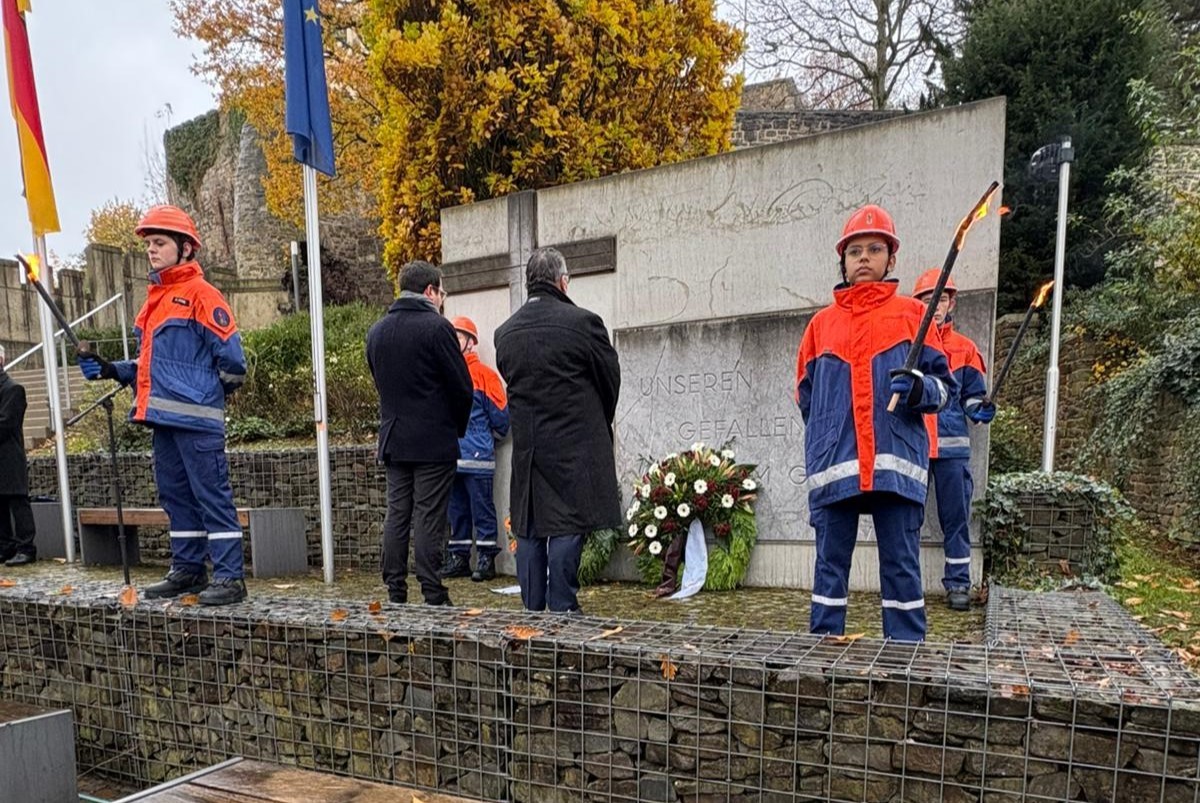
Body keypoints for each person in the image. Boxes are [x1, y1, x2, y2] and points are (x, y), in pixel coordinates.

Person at [795, 204, 956, 642]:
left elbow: (945, 390)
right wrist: (830, 437)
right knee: (829, 570)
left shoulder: (912, 317)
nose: (863, 258)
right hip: (836, 467)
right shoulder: (820, 325)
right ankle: (822, 658)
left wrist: (920, 388)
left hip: (895, 463)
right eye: (854, 251)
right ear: (842, 262)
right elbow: (805, 398)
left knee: (901, 566)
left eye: (874, 249)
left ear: (890, 259)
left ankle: (906, 659)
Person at [77, 205, 249, 605]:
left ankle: (230, 578)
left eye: (159, 243)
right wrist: (110, 369)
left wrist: (204, 393)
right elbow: (149, 365)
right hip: (162, 421)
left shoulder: (203, 296)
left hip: (198, 423)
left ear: (185, 248)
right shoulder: (155, 301)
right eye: (149, 244)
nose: (151, 250)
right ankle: (188, 571)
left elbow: (234, 364)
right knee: (175, 497)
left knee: (212, 497)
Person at [495, 247, 621, 613]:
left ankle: (532, 606)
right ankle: (563, 604)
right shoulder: (583, 324)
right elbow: (609, 379)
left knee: (530, 525)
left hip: (529, 446)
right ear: (562, 281)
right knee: (568, 523)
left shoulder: (506, 333)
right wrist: (597, 420)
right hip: (574, 442)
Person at [367, 261, 473, 605]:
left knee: (397, 512)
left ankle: (395, 588)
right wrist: (455, 426)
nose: (442, 299)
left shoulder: (377, 331)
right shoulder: (437, 328)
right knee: (430, 514)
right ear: (430, 291)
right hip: (433, 440)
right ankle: (432, 588)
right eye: (441, 292)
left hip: (395, 438)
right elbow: (461, 386)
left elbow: (380, 383)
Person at [912, 269, 995, 612]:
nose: (935, 306)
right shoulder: (911, 348)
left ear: (952, 302)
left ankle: (958, 583)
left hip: (951, 450)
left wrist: (981, 409)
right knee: (906, 520)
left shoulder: (965, 349)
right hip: (914, 447)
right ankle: (907, 585)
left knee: (955, 518)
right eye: (928, 299)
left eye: (941, 298)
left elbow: (973, 398)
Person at [442, 316, 510, 583]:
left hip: (477, 456)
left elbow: (501, 417)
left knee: (482, 509)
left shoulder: (485, 376)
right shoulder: (446, 375)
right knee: (456, 510)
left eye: (458, 337)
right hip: (453, 457)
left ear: (470, 342)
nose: (453, 342)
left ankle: (485, 558)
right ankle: (459, 557)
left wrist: (485, 439)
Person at [0, 345, 37, 567]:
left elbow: (6, 424)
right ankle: (5, 546)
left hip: (9, 457)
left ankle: (26, 548)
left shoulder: (13, 389)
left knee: (17, 502)